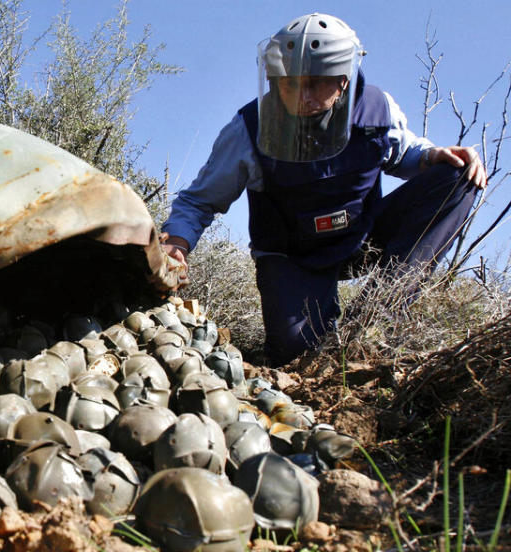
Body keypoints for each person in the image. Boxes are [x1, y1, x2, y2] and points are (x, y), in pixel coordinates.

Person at [160, 13, 487, 366]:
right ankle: (309, 333)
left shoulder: (377, 109)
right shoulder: (248, 131)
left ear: (343, 80)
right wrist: (177, 243)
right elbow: (199, 200)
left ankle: (375, 319)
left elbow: (401, 151)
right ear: (273, 78)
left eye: (317, 84)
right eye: (290, 83)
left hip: (362, 238)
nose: (303, 97)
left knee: (459, 175)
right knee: (296, 354)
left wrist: (432, 155)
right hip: (293, 256)